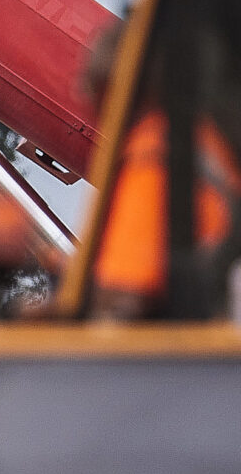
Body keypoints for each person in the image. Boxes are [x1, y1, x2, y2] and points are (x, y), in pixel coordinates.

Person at [83, 18, 240, 318]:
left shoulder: (154, 155)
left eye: (94, 87)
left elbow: (124, 299)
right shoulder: (203, 142)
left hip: (187, 357)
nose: (80, 92)